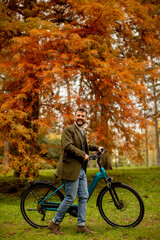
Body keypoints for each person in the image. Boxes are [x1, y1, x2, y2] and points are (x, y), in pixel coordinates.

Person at [48, 108, 103, 235]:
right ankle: (54, 223)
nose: (80, 118)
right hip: (70, 169)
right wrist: (82, 155)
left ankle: (81, 225)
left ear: (85, 118)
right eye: (78, 115)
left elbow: (84, 147)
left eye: (83, 116)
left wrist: (97, 148)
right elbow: (67, 146)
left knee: (84, 196)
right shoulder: (69, 130)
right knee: (70, 197)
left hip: (81, 170)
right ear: (75, 116)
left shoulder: (81, 132)